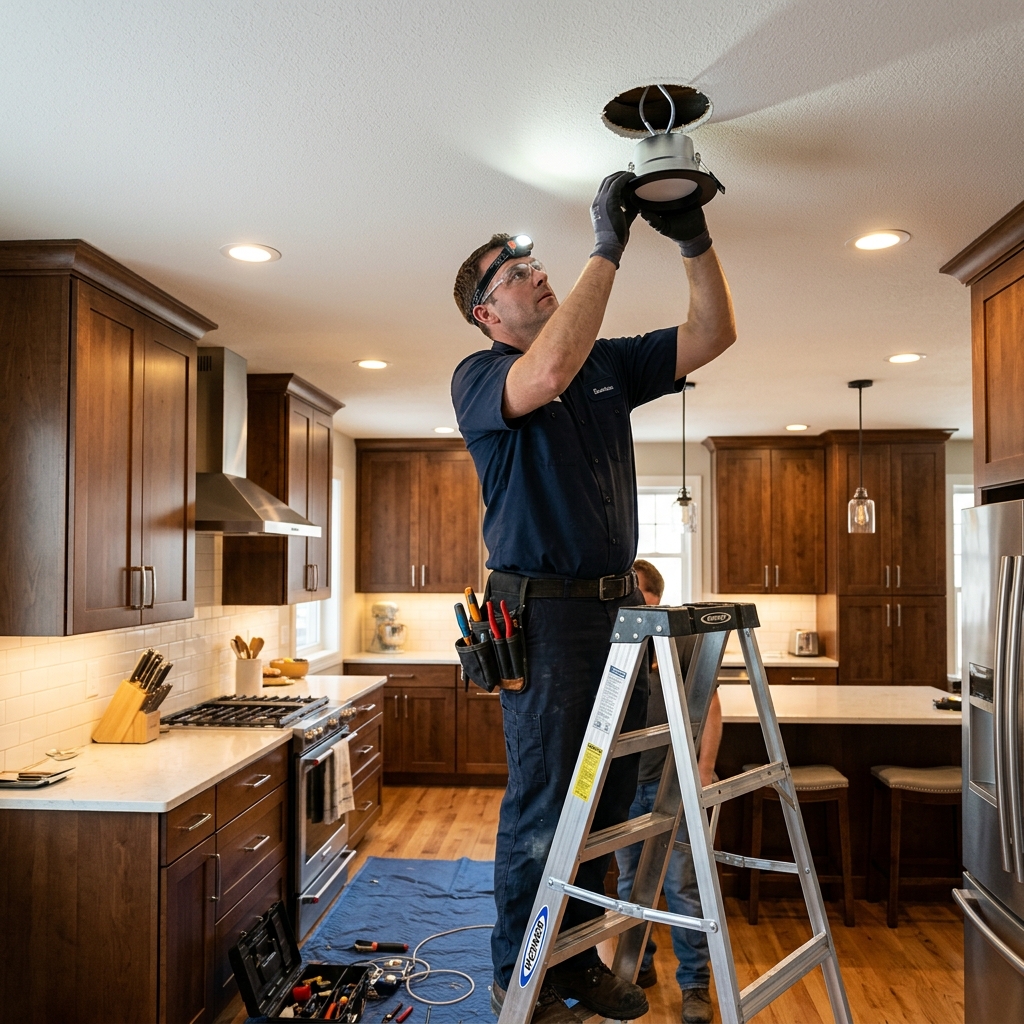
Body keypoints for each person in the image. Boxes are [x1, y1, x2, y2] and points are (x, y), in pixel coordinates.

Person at [450, 171, 736, 1023]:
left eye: (535, 263)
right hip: (544, 618)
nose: (536, 273)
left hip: (618, 611)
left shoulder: (606, 365)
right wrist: (608, 245)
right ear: (486, 314)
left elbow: (714, 332)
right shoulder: (480, 377)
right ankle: (521, 976)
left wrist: (691, 238)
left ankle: (573, 961)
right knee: (547, 802)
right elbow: (546, 372)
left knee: (607, 800)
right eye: (516, 273)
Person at [615, 560, 723, 1024]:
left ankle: (695, 985)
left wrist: (705, 768)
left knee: (681, 887)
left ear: (653, 596)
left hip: (673, 786)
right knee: (629, 884)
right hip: (624, 788)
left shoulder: (680, 638)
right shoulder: (618, 638)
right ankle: (635, 967)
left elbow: (711, 705)